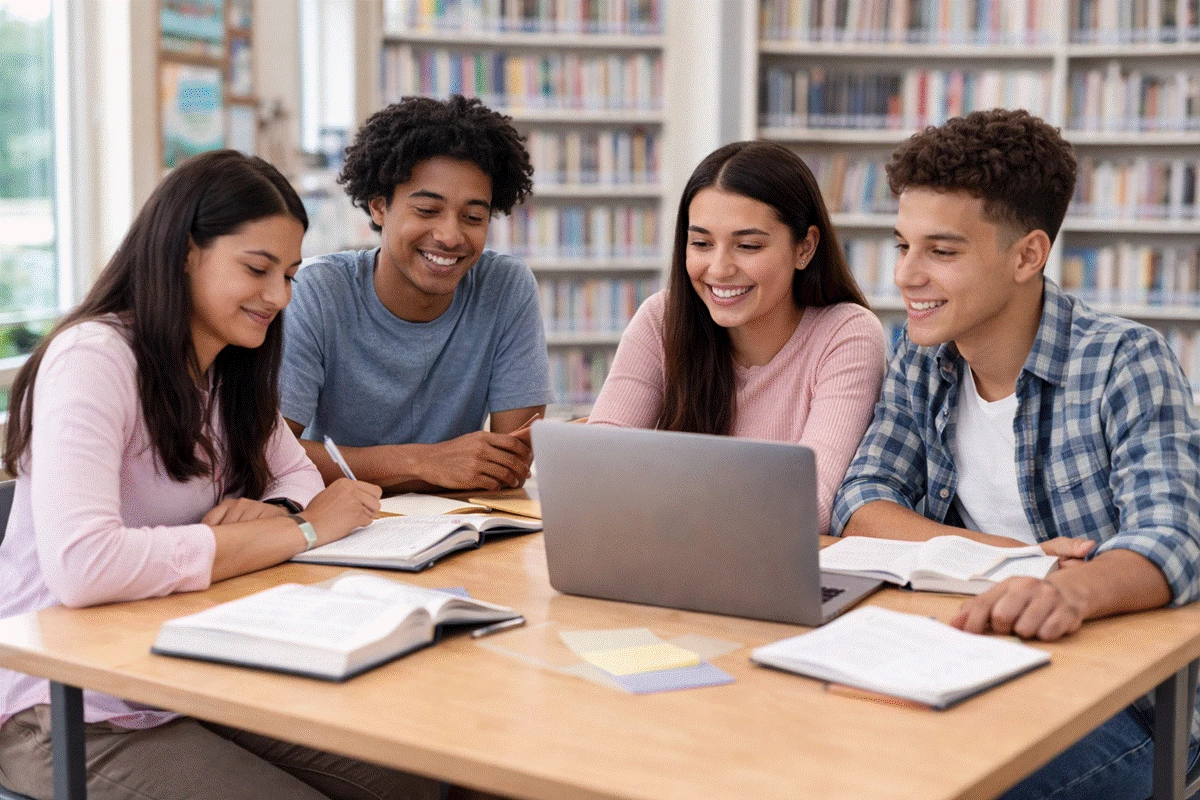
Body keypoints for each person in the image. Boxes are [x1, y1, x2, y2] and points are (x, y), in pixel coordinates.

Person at [0, 150, 444, 800]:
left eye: (289, 275)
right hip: (66, 703)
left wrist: (279, 513)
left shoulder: (228, 367)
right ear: (186, 252)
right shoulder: (94, 359)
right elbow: (84, 565)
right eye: (257, 269)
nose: (280, 297)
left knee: (421, 780)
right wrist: (298, 533)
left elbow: (298, 478)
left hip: (189, 670)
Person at [832, 109, 1200, 799]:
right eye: (902, 245)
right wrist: (1018, 559)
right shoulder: (921, 357)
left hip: (1130, 707)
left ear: (1028, 256)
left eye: (941, 252)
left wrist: (1065, 590)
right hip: (976, 658)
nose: (906, 275)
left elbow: (1173, 539)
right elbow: (863, 500)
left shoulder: (1124, 361)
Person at [588, 140, 887, 533]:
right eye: (701, 244)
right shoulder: (662, 318)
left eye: (747, 245)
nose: (719, 268)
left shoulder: (847, 334)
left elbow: (808, 505)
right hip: (670, 551)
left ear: (805, 247)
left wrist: (654, 490)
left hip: (772, 562)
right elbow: (596, 471)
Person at [280, 95, 552, 493]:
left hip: (458, 520)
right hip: (345, 519)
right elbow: (272, 456)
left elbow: (508, 464)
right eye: (427, 210)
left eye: (473, 217)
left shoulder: (505, 288)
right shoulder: (317, 293)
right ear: (379, 208)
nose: (450, 236)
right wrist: (423, 462)